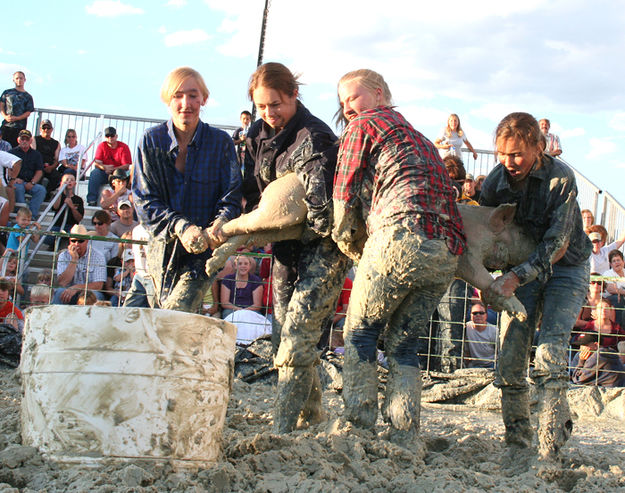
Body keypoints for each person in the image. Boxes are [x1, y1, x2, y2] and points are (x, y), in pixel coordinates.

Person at [333, 69, 466, 445]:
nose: (347, 108)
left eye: (352, 98)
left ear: (378, 94)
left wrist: (347, 243)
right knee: (404, 344)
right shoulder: (421, 138)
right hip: (445, 250)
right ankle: (405, 432)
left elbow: (343, 196)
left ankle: (357, 427)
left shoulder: (365, 125)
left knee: (360, 332)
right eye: (343, 103)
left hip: (399, 235)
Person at [245, 62, 351, 433]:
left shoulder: (315, 137)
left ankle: (283, 426)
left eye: (276, 104)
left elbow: (321, 211)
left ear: (294, 95)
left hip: (323, 247)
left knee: (299, 334)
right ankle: (312, 412)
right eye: (261, 106)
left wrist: (261, 226)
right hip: (284, 247)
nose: (269, 114)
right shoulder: (257, 133)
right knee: (281, 334)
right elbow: (251, 189)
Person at [479, 112, 591, 463]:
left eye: (517, 154)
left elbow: (557, 244)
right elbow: (485, 232)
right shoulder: (495, 183)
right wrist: (487, 276)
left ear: (539, 148)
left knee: (551, 349)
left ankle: (551, 444)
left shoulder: (561, 179)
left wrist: (513, 277)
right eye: (502, 154)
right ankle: (516, 441)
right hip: (519, 266)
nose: (509, 162)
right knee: (510, 356)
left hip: (566, 268)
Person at [133, 66, 241, 312]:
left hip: (204, 249)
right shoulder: (151, 141)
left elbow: (231, 197)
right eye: (178, 96)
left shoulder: (220, 143)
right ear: (167, 99)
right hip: (162, 248)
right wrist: (181, 226)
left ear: (204, 99)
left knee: (176, 313)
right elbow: (144, 201)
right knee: (165, 314)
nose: (186, 103)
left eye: (193, 95)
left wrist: (221, 221)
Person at [52, 224, 107, 304]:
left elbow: (98, 285)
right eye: (74, 241)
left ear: (87, 241)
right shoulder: (63, 255)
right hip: (69, 293)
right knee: (60, 292)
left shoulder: (98, 256)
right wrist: (74, 259)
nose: (77, 244)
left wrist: (77, 288)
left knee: (96, 295)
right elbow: (62, 282)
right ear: (70, 241)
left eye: (81, 241)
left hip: (88, 293)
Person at [87, 126, 132, 206]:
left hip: (120, 175)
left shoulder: (123, 147)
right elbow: (97, 163)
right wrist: (104, 167)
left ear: (116, 136)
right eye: (108, 136)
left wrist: (113, 169)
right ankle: (92, 201)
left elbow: (126, 166)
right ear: (105, 137)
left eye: (112, 135)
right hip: (106, 173)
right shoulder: (101, 146)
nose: (110, 138)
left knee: (132, 173)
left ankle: (130, 200)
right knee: (95, 173)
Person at [9, 129, 46, 218]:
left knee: (41, 190)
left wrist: (32, 183)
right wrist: (14, 179)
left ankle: (32, 216)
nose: (24, 141)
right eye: (22, 139)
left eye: (27, 139)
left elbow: (39, 171)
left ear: (31, 141)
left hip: (30, 183)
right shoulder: (11, 153)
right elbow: (7, 169)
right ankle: (22, 217)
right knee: (18, 188)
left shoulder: (36, 155)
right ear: (18, 140)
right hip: (16, 182)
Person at [45, 171, 84, 249]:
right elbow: (55, 207)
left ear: (75, 184)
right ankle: (54, 245)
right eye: (66, 180)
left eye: (71, 180)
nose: (69, 181)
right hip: (57, 226)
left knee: (73, 236)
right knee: (47, 237)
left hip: (71, 227)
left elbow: (79, 218)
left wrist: (72, 206)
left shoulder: (78, 200)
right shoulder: (57, 196)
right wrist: (60, 191)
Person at [0, 71, 34, 147]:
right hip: (6, 125)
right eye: (17, 78)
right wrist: (5, 116)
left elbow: (28, 112)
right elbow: (1, 105)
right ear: (13, 80)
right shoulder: (7, 92)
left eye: (21, 78)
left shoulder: (28, 96)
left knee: (14, 149)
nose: (19, 80)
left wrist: (17, 118)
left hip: (19, 127)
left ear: (25, 80)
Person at [31, 119, 61, 198]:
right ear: (40, 129)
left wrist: (51, 167)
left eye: (48, 128)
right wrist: (40, 166)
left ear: (52, 129)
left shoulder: (56, 143)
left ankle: (47, 195)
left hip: (50, 167)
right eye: (44, 128)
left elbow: (57, 160)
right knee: (38, 176)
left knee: (57, 177)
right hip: (38, 166)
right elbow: (33, 155)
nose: (46, 130)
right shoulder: (35, 139)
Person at [464, 301, 498, 368]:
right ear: (470, 316)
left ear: (486, 315)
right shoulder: (466, 328)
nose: (478, 315)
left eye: (481, 313)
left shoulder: (494, 330)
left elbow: (499, 351)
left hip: (492, 364)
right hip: (475, 365)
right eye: (475, 313)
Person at [603, 249, 625, 327]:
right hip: (610, 300)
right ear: (611, 264)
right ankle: (619, 329)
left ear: (623, 262)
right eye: (614, 261)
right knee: (618, 298)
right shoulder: (608, 274)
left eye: (618, 260)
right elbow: (611, 289)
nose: (616, 263)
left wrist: (620, 291)